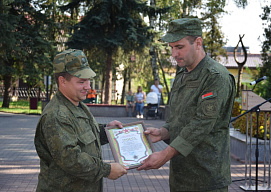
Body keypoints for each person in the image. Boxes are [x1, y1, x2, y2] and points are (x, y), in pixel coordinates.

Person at [137, 18, 236, 192]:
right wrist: (162, 132)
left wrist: (164, 155)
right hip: (180, 177)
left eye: (179, 47)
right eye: (172, 48)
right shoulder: (183, 74)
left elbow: (201, 124)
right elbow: (181, 118)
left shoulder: (215, 76)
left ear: (198, 43)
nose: (174, 54)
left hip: (206, 179)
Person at [34, 49, 127, 192]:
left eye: (88, 80)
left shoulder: (77, 105)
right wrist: (107, 170)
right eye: (81, 81)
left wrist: (107, 130)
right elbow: (70, 158)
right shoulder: (57, 115)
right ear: (62, 81)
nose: (88, 87)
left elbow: (84, 136)